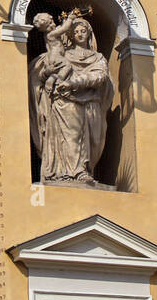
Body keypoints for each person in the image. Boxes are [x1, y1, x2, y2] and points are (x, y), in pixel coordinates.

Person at [29, 12, 113, 185]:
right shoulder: (64, 54)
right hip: (65, 101)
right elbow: (43, 73)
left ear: (89, 33)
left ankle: (83, 169)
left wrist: (73, 82)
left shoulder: (98, 58)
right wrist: (49, 76)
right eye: (76, 31)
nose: (80, 34)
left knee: (93, 141)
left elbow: (99, 76)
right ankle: (75, 172)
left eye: (83, 31)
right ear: (70, 35)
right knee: (71, 135)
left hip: (90, 104)